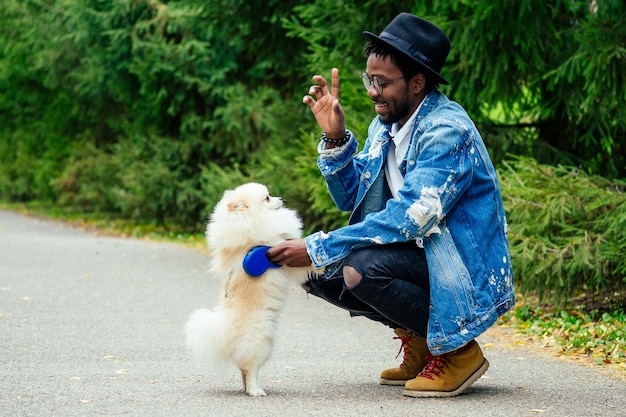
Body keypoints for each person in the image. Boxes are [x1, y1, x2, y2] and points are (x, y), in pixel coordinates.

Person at [266, 12, 515, 398]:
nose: (371, 92)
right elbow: (353, 197)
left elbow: (409, 218)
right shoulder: (385, 128)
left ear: (417, 82)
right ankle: (421, 341)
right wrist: (335, 140)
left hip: (460, 269)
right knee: (317, 273)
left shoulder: (447, 131)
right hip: (417, 257)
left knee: (358, 268)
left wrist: (318, 246)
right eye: (369, 79)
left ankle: (459, 352)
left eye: (382, 82)